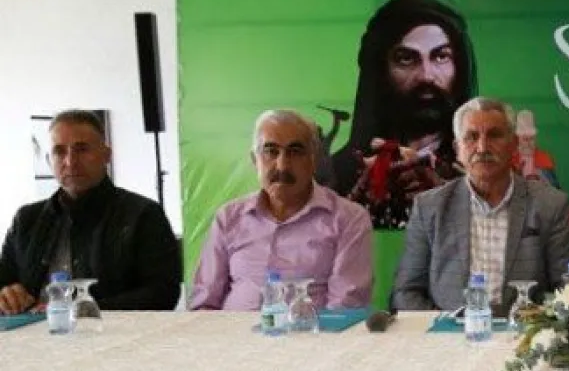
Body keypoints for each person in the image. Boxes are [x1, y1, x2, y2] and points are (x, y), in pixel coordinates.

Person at [393, 98, 569, 313]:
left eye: (494, 135)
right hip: (447, 329)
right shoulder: (429, 208)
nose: (482, 147)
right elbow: (405, 292)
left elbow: (568, 291)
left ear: (514, 145)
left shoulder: (551, 205)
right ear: (457, 149)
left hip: (525, 330)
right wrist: (442, 326)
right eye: (472, 137)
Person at [0, 110, 181, 314]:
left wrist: (84, 310)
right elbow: (4, 280)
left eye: (82, 149)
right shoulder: (26, 219)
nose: (70, 161)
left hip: (113, 330)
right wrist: (7, 295)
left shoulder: (142, 214)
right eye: (59, 151)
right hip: (31, 329)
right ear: (49, 160)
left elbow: (163, 293)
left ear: (106, 155)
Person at [189, 110, 373, 310]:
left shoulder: (348, 218)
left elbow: (345, 307)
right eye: (271, 151)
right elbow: (204, 301)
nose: (282, 165)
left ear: (314, 161)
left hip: (309, 329)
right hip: (233, 329)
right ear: (255, 160)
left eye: (295, 151)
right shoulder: (229, 217)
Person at [329, 0, 477, 226]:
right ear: (380, 71)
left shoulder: (489, 172)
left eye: (441, 57)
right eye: (406, 59)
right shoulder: (337, 174)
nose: (426, 76)